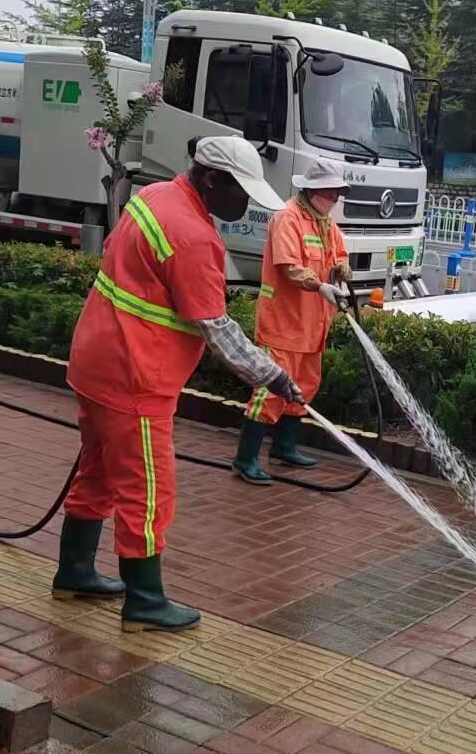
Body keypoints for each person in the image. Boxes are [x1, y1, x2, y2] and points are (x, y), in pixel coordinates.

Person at [55, 136, 304, 631]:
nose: (245, 204)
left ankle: (75, 571)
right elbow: (217, 328)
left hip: (96, 359)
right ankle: (145, 601)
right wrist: (273, 376)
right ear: (211, 179)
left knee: (99, 471)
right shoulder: (192, 236)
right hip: (135, 375)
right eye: (240, 192)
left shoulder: (154, 197)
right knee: (148, 490)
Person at [232, 158, 352, 485]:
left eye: (337, 194)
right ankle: (245, 460)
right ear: (312, 190)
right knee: (270, 391)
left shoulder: (325, 222)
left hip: (312, 326)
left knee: (304, 387)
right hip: (283, 324)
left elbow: (338, 254)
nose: (334, 200)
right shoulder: (287, 219)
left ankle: (284, 447)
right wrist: (320, 285)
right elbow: (289, 268)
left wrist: (342, 269)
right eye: (330, 193)